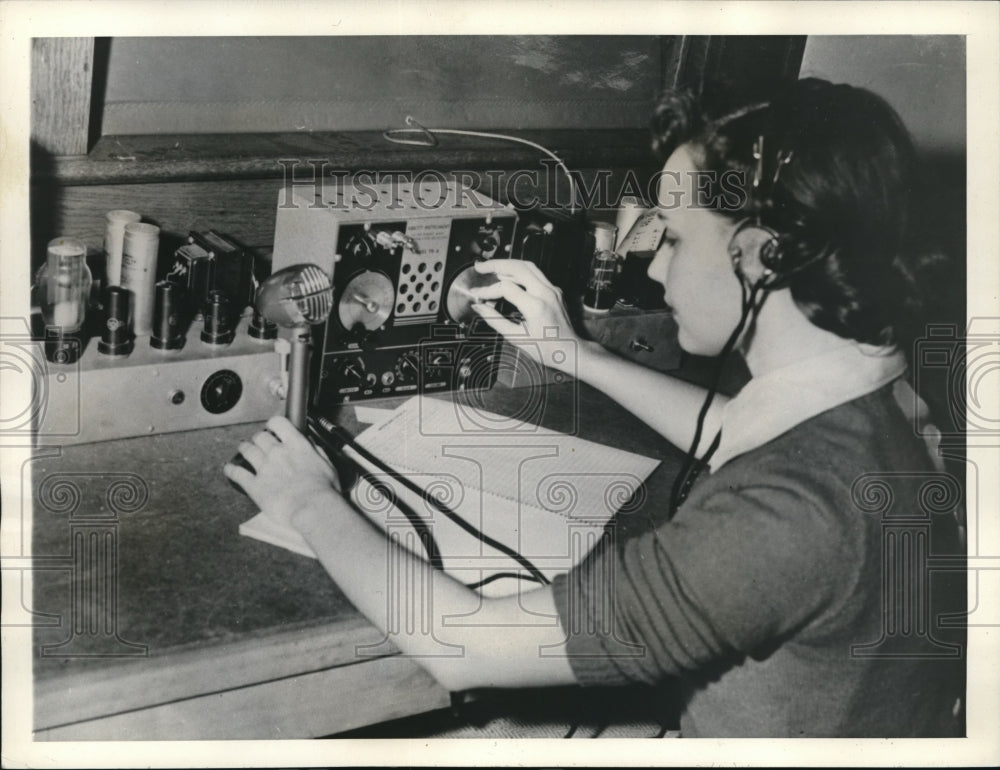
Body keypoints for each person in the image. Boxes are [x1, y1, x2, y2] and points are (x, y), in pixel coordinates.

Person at [225, 78, 965, 737]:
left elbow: (468, 646)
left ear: (762, 256)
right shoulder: (877, 406)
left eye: (674, 238)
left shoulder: (789, 517)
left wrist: (311, 500)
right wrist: (573, 352)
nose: (654, 262)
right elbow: (736, 430)